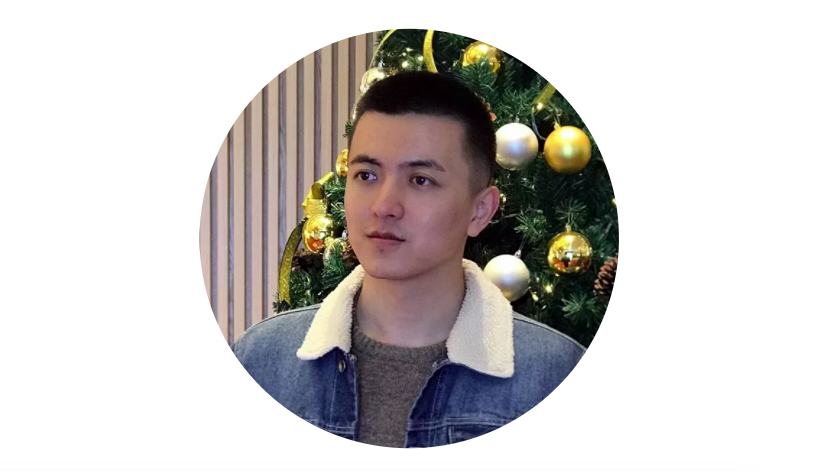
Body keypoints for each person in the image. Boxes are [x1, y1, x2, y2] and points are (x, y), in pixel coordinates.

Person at [232, 71, 585, 448]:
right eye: (366, 175)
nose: (383, 206)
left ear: (480, 210)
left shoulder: (556, 376)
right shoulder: (261, 362)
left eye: (420, 180)